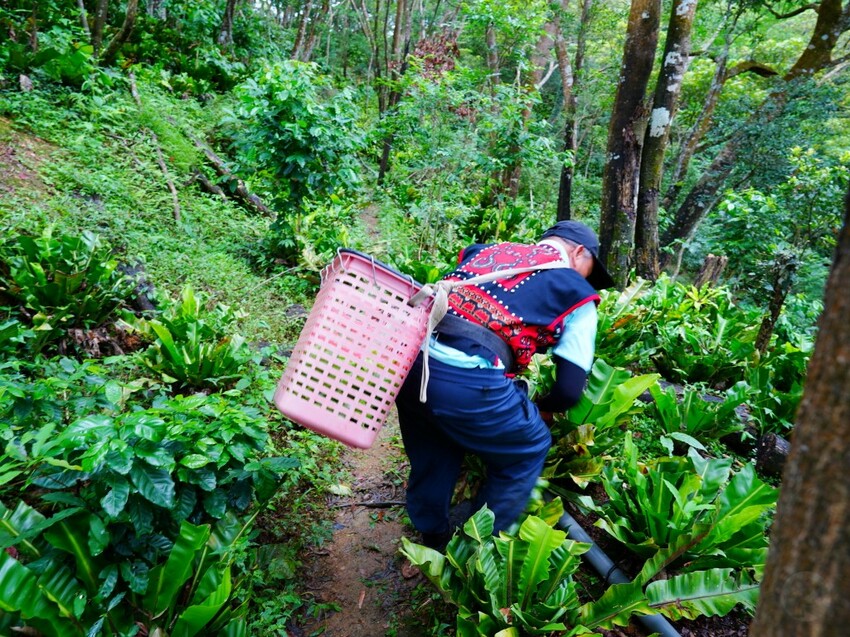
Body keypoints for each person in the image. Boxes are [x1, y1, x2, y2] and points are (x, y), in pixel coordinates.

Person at [395, 220, 615, 550]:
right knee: (529, 445)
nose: (585, 278)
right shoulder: (577, 294)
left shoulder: (487, 252)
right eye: (589, 269)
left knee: (433, 443)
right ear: (578, 251)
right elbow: (569, 390)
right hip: (469, 382)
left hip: (410, 365)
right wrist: (542, 406)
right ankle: (480, 545)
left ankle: (432, 535)